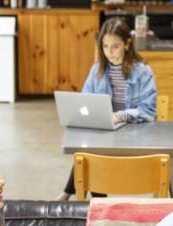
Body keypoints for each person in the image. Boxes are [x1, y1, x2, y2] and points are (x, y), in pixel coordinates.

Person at [57, 18, 158, 201]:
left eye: (115, 47)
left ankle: (71, 194)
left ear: (127, 44)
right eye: (105, 47)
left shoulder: (143, 71)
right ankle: (97, 201)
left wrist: (119, 115)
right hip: (106, 131)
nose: (109, 52)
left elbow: (149, 111)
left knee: (90, 153)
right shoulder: (97, 70)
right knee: (91, 150)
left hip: (133, 132)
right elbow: (84, 102)